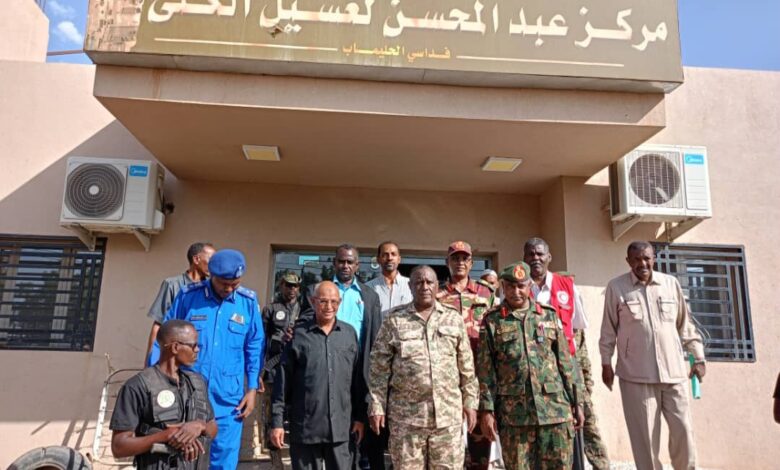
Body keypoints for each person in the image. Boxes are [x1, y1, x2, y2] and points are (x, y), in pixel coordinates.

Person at [600, 241, 706, 470]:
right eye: (636, 259)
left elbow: (685, 325)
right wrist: (606, 363)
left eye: (647, 258)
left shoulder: (670, 284)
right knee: (646, 442)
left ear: (654, 258)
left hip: (674, 373)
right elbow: (608, 330)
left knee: (684, 432)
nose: (642, 263)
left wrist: (698, 357)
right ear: (628, 261)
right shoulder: (616, 287)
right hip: (636, 377)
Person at [368, 265, 478, 470]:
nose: (424, 286)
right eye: (418, 282)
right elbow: (378, 368)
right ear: (410, 287)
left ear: (437, 286)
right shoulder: (394, 320)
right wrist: (376, 405)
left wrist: (470, 402)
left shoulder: (453, 318)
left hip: (447, 419)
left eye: (429, 282)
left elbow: (466, 366)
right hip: (406, 421)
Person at [164, 249, 265, 469]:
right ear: (211, 274)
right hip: (187, 396)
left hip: (228, 399)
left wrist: (251, 389)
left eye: (234, 284)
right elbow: (166, 336)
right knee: (183, 457)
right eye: (223, 284)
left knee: (224, 461)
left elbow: (254, 346)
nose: (229, 289)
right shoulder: (188, 297)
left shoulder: (248, 302)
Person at [477, 261, 584, 470]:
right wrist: (487, 410)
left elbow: (566, 363)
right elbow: (485, 371)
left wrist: (578, 402)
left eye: (521, 286)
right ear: (503, 287)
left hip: (555, 412)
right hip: (515, 416)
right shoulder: (492, 320)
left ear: (529, 287)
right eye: (510, 286)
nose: (516, 291)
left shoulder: (548, 315)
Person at [523, 237, 609, 469]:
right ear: (524, 258)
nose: (535, 258)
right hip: (534, 371)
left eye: (540, 254)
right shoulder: (518, 289)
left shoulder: (567, 287)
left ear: (549, 257)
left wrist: (583, 376)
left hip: (567, 369)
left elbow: (578, 335)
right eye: (531, 254)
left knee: (587, 424)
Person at [300, 244, 383, 469]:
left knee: (357, 431)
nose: (345, 266)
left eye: (350, 262)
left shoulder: (370, 296)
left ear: (357, 265)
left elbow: (376, 336)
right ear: (334, 263)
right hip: (324, 367)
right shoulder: (316, 291)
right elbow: (304, 324)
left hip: (356, 371)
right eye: (341, 261)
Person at [270, 281, 365, 470]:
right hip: (305, 428)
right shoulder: (298, 335)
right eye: (323, 301)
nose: (329, 307)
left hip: (341, 429)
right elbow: (283, 383)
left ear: (339, 302)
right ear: (313, 302)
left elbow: (356, 382)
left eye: (334, 301)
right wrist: (277, 423)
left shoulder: (349, 334)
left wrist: (360, 418)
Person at [110, 320, 218, 469]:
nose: (198, 350)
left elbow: (213, 427)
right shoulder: (137, 386)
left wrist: (200, 426)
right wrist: (167, 435)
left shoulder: (197, 383)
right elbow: (119, 447)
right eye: (193, 345)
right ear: (175, 347)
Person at [436, 240, 495, 469]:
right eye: (455, 258)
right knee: (447, 444)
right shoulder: (437, 295)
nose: (460, 262)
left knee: (479, 441)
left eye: (465, 258)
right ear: (447, 262)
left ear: (471, 263)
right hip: (448, 377)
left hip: (479, 376)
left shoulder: (485, 292)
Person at [146, 242, 215, 366]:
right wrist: (150, 362)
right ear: (196, 259)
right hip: (176, 355)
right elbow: (159, 324)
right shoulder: (173, 285)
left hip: (200, 358)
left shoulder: (212, 289)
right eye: (211, 260)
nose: (214, 265)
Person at [260, 271, 302, 469]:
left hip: (297, 373)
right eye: (288, 285)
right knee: (272, 418)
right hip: (274, 370)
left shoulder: (305, 310)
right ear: (281, 285)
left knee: (297, 418)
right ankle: (275, 463)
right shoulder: (271, 309)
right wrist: (260, 372)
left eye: (295, 286)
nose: (291, 289)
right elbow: (261, 342)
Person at [366, 241, 413, 318]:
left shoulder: (411, 285)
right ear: (378, 259)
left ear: (399, 259)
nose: (389, 258)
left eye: (393, 254)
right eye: (385, 255)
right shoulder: (368, 288)